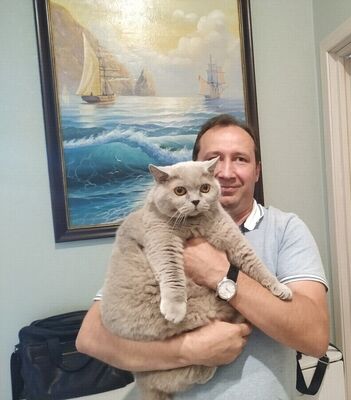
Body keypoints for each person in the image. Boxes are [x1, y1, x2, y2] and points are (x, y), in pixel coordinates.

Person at [76, 114, 330, 399]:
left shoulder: (285, 229)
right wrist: (189, 350)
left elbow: (315, 338)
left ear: (257, 171)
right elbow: (91, 338)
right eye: (214, 159)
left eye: (240, 159)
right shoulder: (153, 225)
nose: (226, 172)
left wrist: (223, 275)